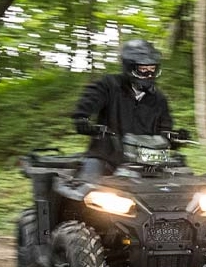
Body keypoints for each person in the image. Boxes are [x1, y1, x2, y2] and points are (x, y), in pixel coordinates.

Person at [72, 39, 177, 180]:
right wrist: (82, 118)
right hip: (106, 156)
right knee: (86, 185)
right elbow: (90, 98)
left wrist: (173, 137)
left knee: (176, 186)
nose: (149, 74)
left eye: (152, 69)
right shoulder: (109, 85)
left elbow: (165, 127)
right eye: (143, 69)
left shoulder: (159, 99)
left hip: (145, 161)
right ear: (129, 68)